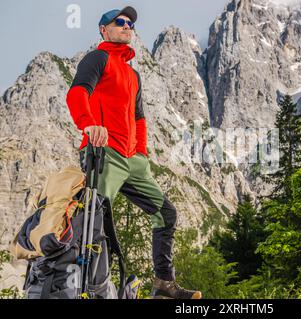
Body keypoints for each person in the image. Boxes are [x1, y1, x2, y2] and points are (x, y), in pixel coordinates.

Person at [66, 6, 202, 299]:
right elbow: (77, 92)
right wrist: (89, 125)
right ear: (104, 29)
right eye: (120, 22)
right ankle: (88, 288)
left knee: (166, 213)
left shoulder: (133, 74)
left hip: (133, 161)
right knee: (94, 220)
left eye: (130, 23)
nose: (127, 26)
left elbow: (139, 118)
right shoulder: (98, 58)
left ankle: (164, 285)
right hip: (105, 154)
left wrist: (140, 153)